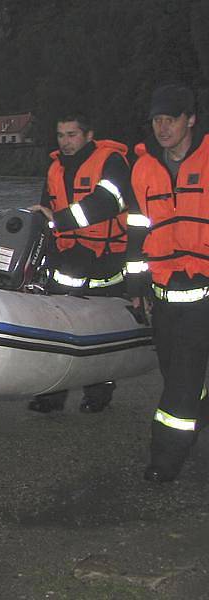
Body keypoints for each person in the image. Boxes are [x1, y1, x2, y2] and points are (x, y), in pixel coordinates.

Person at [127, 82, 209, 483]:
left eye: (170, 119)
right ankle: (201, 409)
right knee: (173, 370)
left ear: (190, 119)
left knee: (180, 383)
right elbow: (137, 229)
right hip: (163, 296)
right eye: (156, 120)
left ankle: (165, 459)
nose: (162, 127)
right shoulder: (143, 168)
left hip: (203, 294)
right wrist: (136, 286)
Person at [28, 113, 134, 413]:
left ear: (89, 135)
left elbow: (106, 203)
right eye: (61, 135)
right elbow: (45, 210)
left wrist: (58, 219)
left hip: (106, 262)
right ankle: (51, 396)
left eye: (72, 135)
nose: (65, 141)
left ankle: (98, 395)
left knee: (102, 331)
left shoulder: (112, 162)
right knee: (58, 330)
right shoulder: (54, 168)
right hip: (67, 261)